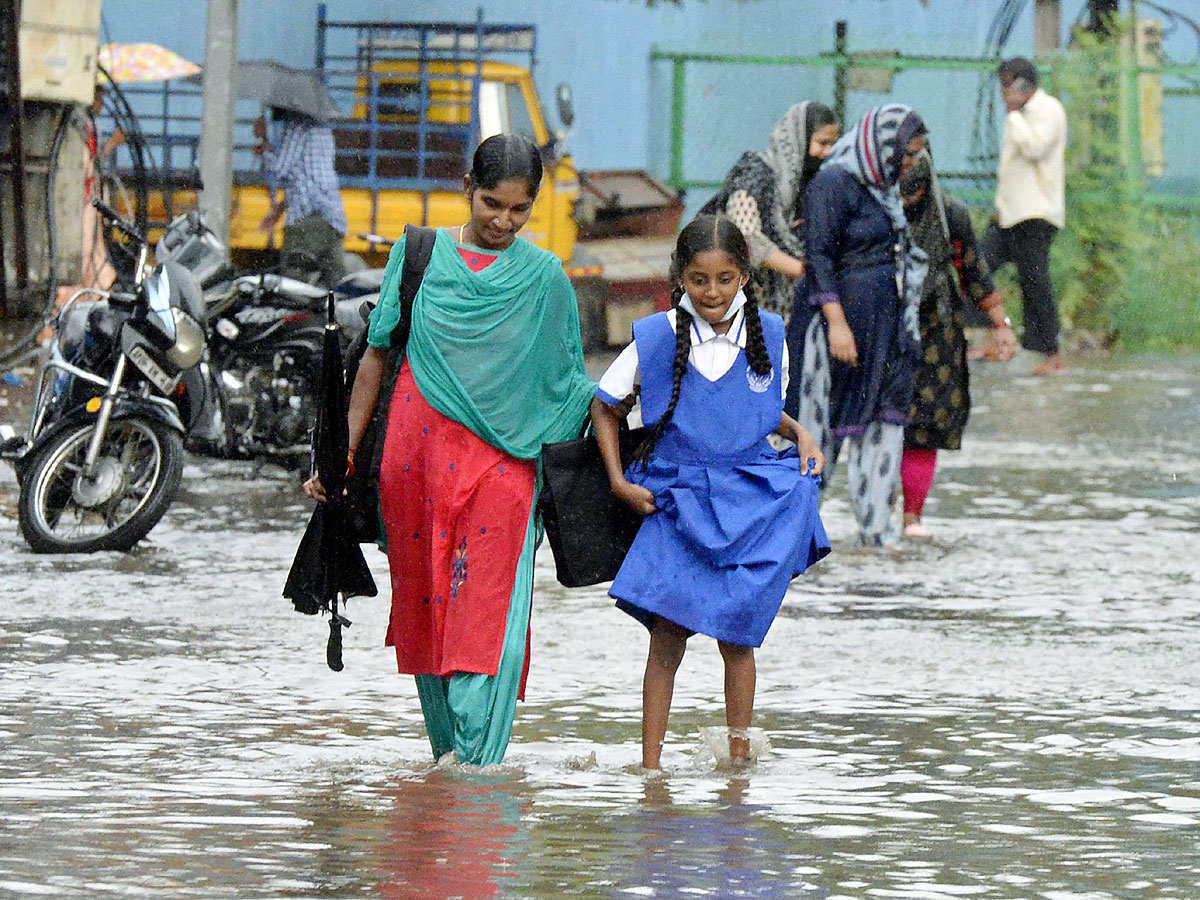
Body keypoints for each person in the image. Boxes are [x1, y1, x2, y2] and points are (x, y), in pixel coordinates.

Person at [304, 134, 595, 766]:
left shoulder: (546, 280)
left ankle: (480, 771)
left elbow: (567, 383)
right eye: (492, 203)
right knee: (430, 607)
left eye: (520, 210)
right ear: (468, 187)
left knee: (488, 617)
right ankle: (449, 782)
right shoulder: (419, 256)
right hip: (415, 463)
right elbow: (377, 355)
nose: (503, 221)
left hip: (506, 465)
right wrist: (340, 459)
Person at [592, 215, 830, 772]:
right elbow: (605, 406)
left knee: (739, 639)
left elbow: (761, 415)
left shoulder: (771, 335)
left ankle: (738, 767)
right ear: (679, 278)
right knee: (667, 637)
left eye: (726, 279)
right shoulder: (653, 338)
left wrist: (798, 433)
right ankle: (651, 769)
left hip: (748, 502)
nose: (713, 292)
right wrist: (618, 482)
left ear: (745, 276)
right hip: (677, 503)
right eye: (699, 280)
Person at [788, 104, 930, 548]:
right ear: (881, 144)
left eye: (915, 157)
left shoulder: (882, 191)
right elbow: (819, 257)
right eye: (906, 154)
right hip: (835, 335)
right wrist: (837, 323)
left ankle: (878, 536)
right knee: (820, 430)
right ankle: (791, 537)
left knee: (883, 425)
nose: (908, 165)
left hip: (883, 335)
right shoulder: (833, 183)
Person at [898, 147, 1015, 539]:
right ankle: (875, 511)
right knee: (875, 421)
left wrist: (1001, 325)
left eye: (912, 195)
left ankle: (912, 515)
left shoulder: (950, 214)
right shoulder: (868, 212)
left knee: (924, 425)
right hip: (880, 324)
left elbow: (973, 270)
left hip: (937, 328)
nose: (905, 202)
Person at [701, 102, 840, 319]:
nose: (827, 152)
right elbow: (747, 239)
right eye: (822, 143)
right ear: (799, 138)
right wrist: (802, 271)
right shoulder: (754, 176)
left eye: (832, 144)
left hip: (778, 302)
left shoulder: (806, 184)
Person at [980, 57, 1068, 375]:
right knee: (978, 266)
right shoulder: (1016, 117)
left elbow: (1035, 149)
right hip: (1011, 214)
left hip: (1037, 212)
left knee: (1035, 279)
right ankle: (990, 335)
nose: (1003, 92)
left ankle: (1051, 353)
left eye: (1008, 84)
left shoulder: (1048, 111)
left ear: (1024, 85)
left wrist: (1015, 115)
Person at [253, 106, 348, 287]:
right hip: (333, 218)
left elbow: (280, 168)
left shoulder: (297, 127)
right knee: (337, 287)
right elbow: (304, 177)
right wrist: (278, 211)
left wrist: (264, 142)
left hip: (308, 222)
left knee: (291, 286)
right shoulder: (323, 129)